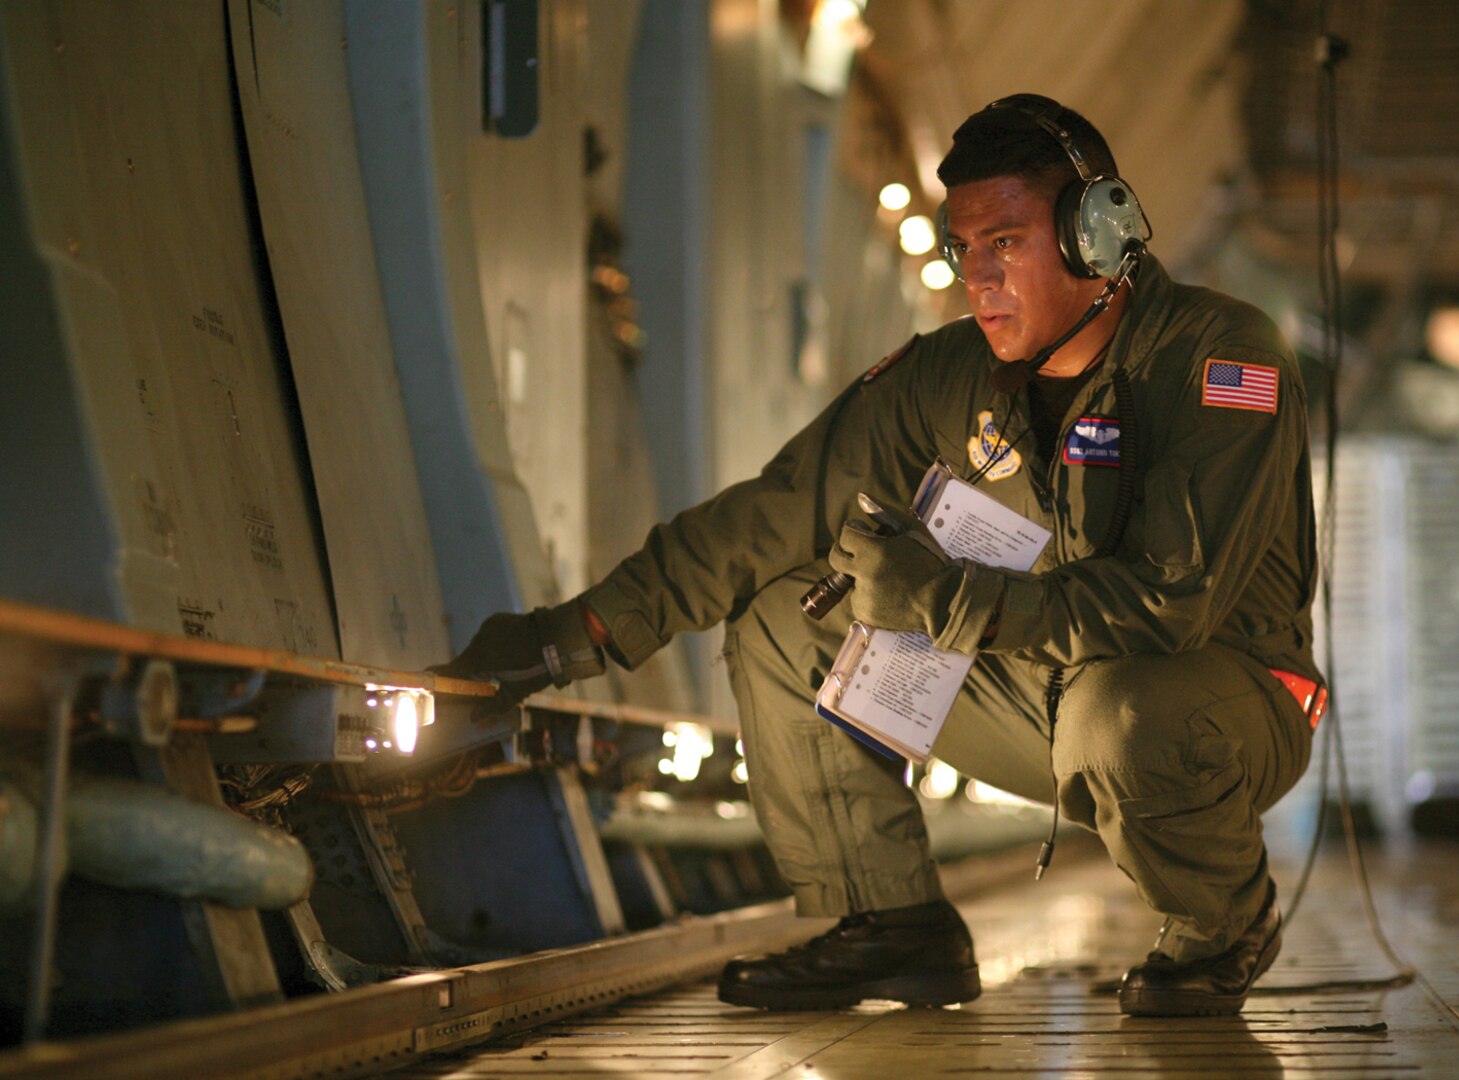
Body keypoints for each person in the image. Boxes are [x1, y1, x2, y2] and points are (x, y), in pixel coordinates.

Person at [432, 94, 1323, 1018]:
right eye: (961, 249)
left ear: (1097, 233)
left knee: (1119, 711)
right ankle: (891, 924)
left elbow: (1166, 605)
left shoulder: (1220, 361)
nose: (977, 278)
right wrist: (561, 640)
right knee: (786, 619)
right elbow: (774, 513)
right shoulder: (949, 379)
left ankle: (1221, 924)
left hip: (1216, 698)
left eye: (1006, 243)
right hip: (1044, 696)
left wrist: (942, 597)